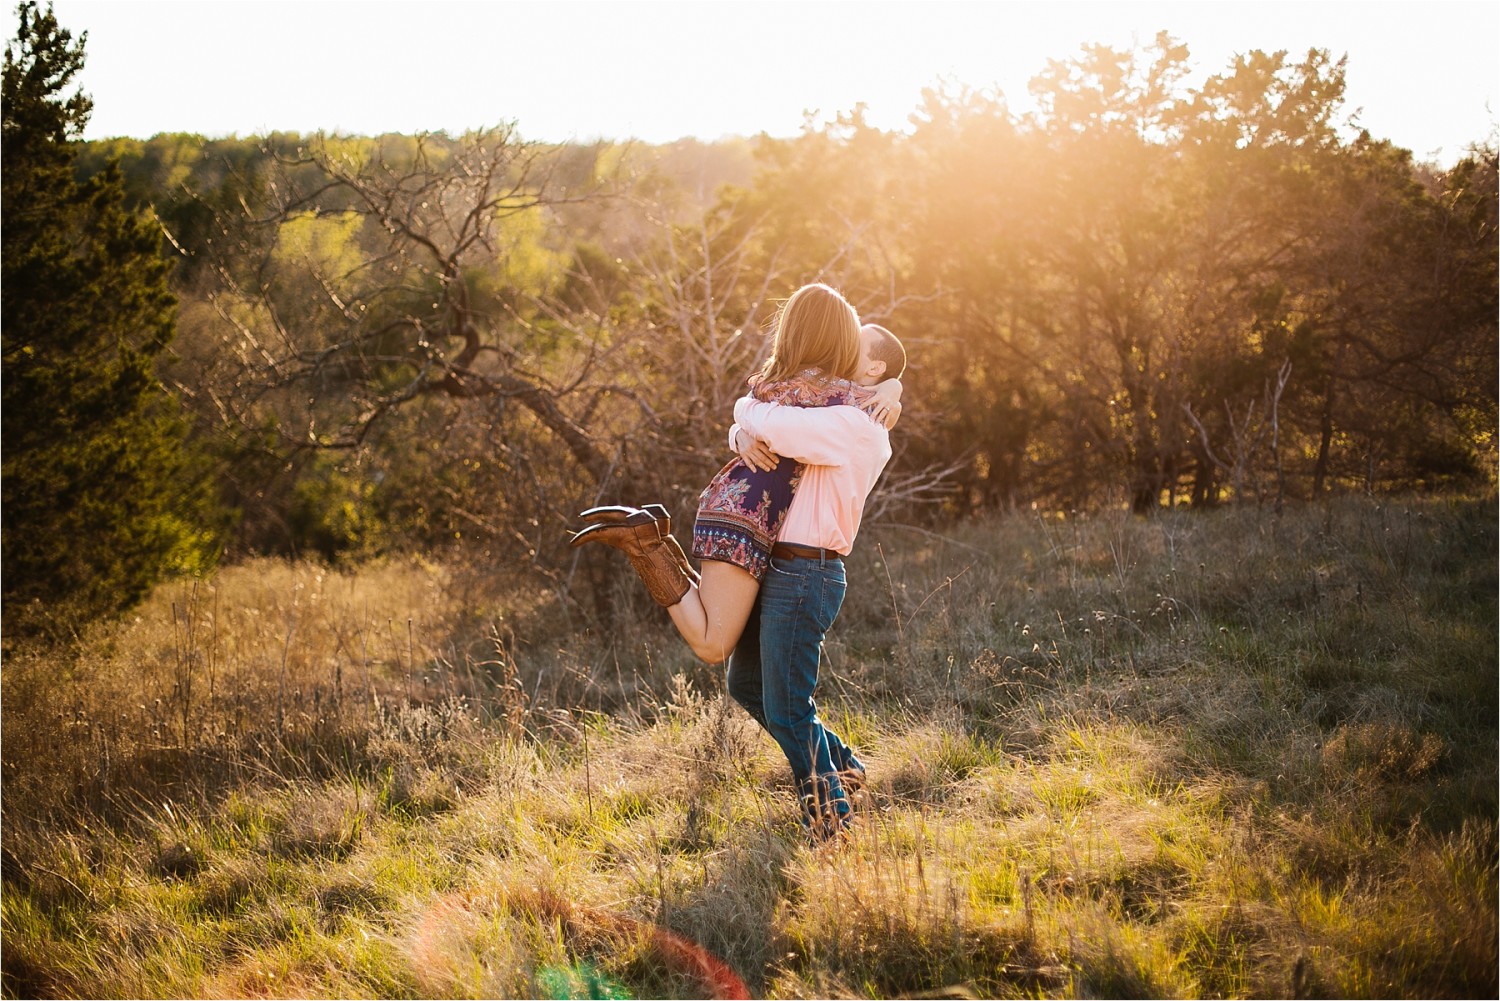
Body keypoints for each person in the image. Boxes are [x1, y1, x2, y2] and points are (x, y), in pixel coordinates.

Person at [571, 283, 906, 843]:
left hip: (808, 571)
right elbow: (776, 419)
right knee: (747, 685)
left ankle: (832, 823)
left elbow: (777, 422)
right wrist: (740, 430)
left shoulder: (854, 425)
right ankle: (846, 767)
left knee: (789, 707)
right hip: (779, 563)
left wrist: (745, 415)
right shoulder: (834, 409)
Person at [569, 284, 902, 666]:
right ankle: (645, 546)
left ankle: (651, 541)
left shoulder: (778, 382)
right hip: (749, 517)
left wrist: (892, 385)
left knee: (716, 623)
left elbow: (758, 412)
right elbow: (824, 416)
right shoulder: (834, 397)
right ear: (830, 338)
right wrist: (890, 389)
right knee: (713, 644)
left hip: (736, 503)